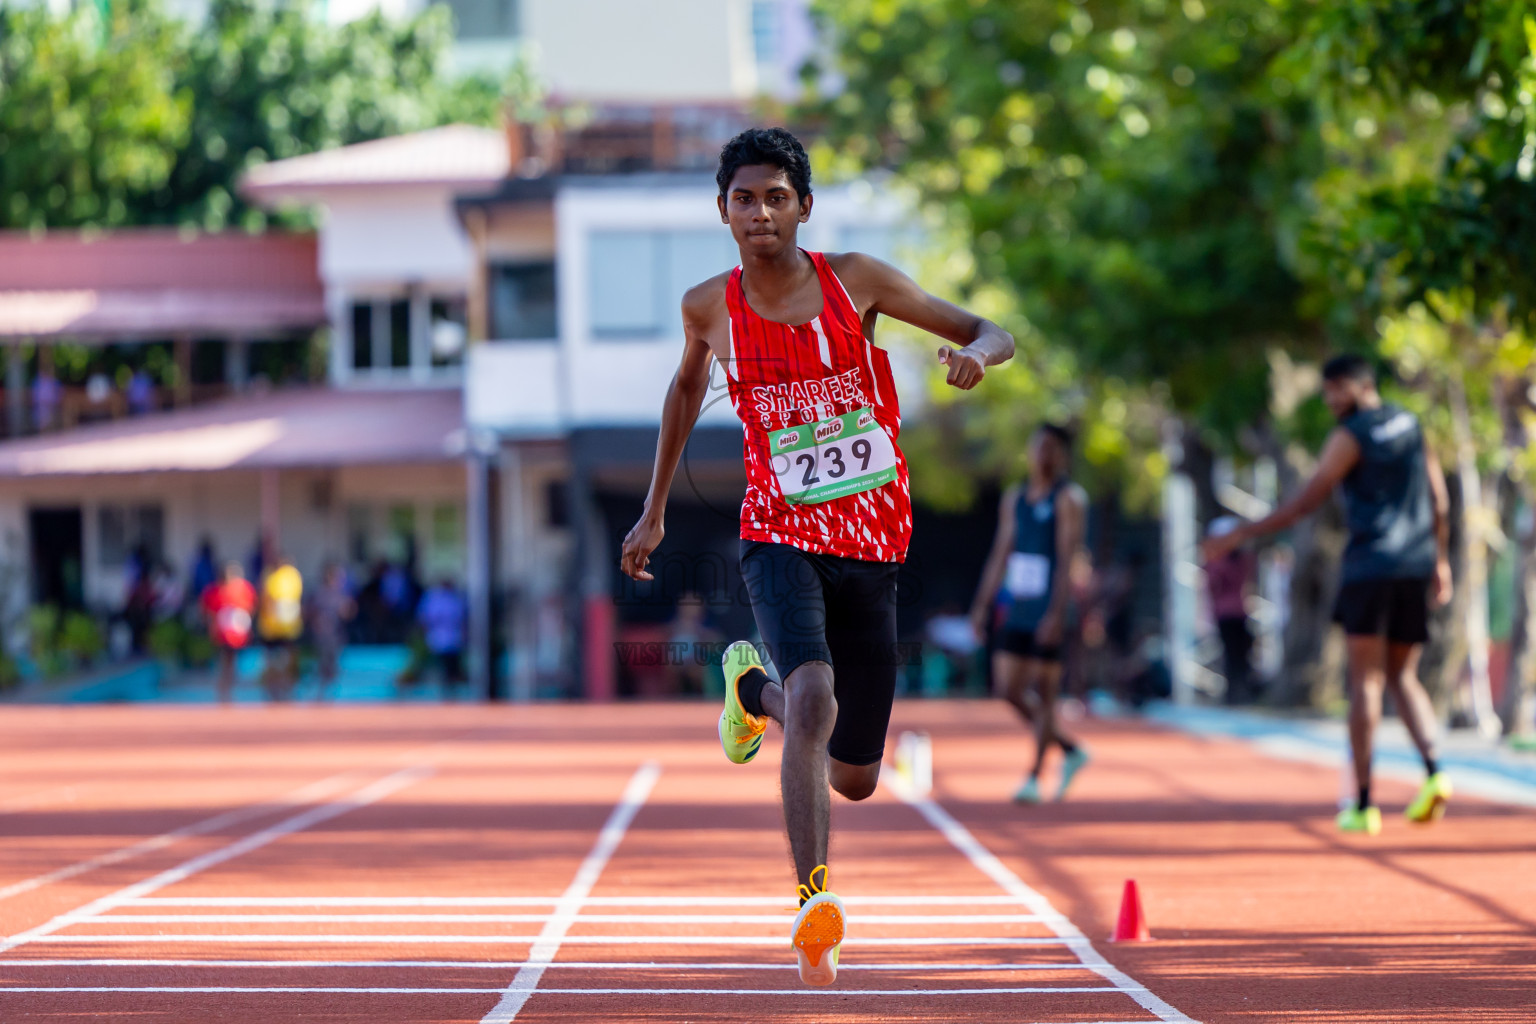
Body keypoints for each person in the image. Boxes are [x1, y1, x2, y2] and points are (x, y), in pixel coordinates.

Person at [619, 127, 1013, 986]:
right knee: (814, 694)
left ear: (803, 206)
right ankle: (814, 904)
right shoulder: (708, 307)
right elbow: (686, 388)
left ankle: (744, 688)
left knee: (858, 777)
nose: (760, 212)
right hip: (776, 533)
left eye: (776, 197)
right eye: (743, 198)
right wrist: (652, 510)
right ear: (722, 211)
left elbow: (992, 327)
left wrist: (975, 355)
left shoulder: (856, 281)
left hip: (873, 543)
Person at [1203, 354, 1453, 835]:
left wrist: (1240, 534)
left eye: (1336, 389)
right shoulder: (1412, 423)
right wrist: (1440, 561)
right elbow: (1438, 499)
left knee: (1365, 682)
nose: (1329, 399)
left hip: (1369, 565)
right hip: (1415, 564)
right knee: (1405, 675)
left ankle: (1362, 803)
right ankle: (1436, 772)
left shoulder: (1349, 436)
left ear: (1361, 386)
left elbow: (1304, 504)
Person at [969, 424, 1090, 804]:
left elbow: (1068, 559)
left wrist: (1056, 613)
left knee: (1045, 693)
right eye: (1038, 446)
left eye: (1052, 448)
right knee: (1008, 690)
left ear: (1062, 456)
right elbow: (999, 552)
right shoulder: (1014, 498)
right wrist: (982, 604)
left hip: (1049, 607)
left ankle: (1036, 777)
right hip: (1018, 605)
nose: (1044, 455)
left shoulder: (1068, 498)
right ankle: (1069, 749)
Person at [1205, 516, 1257, 703]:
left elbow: (1214, 585)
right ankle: (1236, 694)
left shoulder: (1230, 560)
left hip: (1232, 613)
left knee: (1237, 655)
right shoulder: (1235, 559)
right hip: (1232, 613)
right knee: (1235, 655)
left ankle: (1238, 694)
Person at [201, 562, 256, 704]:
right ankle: (222, 693)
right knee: (223, 663)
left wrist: (244, 626)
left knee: (232, 663)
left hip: (237, 636)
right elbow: (209, 613)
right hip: (221, 635)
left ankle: (229, 692)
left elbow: (249, 608)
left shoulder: (243, 590)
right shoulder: (214, 592)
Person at [257, 553, 304, 701]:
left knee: (284, 660)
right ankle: (275, 689)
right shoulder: (274, 578)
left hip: (286, 628)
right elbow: (267, 600)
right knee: (275, 660)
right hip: (275, 628)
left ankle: (283, 689)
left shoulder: (289, 577)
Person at [308, 562, 355, 700]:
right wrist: (316, 623)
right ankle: (320, 691)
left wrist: (347, 610)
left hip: (336, 635)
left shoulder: (340, 594)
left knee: (333, 664)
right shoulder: (319, 593)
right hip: (322, 635)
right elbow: (310, 611)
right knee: (322, 664)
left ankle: (330, 692)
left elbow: (348, 612)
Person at [416, 577, 467, 697]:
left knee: (452, 668)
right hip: (436, 639)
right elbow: (424, 619)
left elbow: (463, 619)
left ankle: (451, 691)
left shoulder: (457, 598)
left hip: (454, 640)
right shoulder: (433, 598)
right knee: (440, 668)